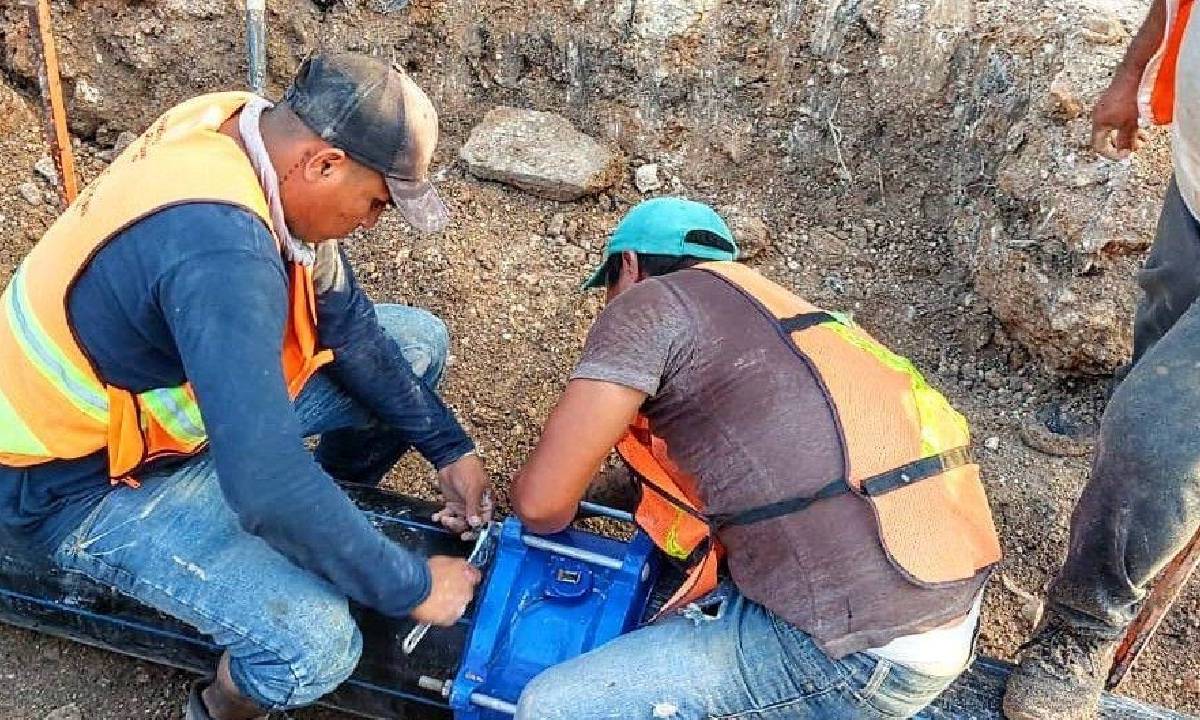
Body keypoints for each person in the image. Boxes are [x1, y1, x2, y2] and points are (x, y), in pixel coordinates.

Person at [0, 52, 490, 720]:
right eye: (376, 201)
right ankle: (220, 707)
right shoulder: (221, 253)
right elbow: (264, 484)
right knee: (312, 647)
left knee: (413, 346)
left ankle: (324, 518)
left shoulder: (240, 128)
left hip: (172, 404)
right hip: (76, 479)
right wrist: (407, 586)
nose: (373, 221)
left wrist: (447, 446)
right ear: (325, 163)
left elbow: (346, 325)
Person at [509, 198, 1002, 719]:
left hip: (853, 657)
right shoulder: (798, 321)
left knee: (552, 708)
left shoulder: (650, 304)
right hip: (939, 614)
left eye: (607, 290)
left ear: (628, 265)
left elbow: (542, 507)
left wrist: (517, 494)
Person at [1004, 1, 1200, 717]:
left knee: (1154, 434)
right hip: (1194, 200)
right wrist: (1130, 74)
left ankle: (1080, 629)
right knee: (1158, 343)